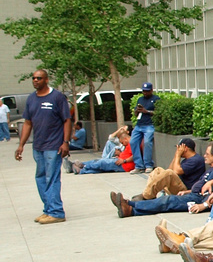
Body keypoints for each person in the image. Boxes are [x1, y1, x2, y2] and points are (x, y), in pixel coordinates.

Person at [111, 142, 213, 219]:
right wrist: (187, 192)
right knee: (167, 201)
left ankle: (130, 206)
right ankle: (130, 208)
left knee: (168, 201)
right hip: (192, 194)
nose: (204, 156)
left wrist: (204, 205)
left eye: (207, 154)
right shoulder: (211, 169)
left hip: (197, 199)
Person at [14, 69, 72, 224]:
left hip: (54, 145)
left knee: (52, 178)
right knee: (40, 177)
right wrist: (21, 145)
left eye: (39, 78)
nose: (35, 80)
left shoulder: (57, 97)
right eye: (33, 78)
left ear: (46, 80)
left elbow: (67, 120)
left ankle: (57, 212)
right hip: (38, 146)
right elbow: (28, 123)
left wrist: (65, 142)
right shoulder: (31, 99)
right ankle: (48, 210)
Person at [137, 137, 205, 199]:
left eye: (179, 147)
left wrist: (178, 155)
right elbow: (169, 170)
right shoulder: (186, 159)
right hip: (178, 186)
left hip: (185, 191)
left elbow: (175, 172)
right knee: (157, 170)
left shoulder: (196, 160)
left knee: (169, 173)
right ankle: (149, 195)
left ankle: (146, 196)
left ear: (185, 148)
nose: (177, 150)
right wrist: (176, 156)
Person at [66, 131, 135, 174]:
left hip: (124, 164)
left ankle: (83, 166)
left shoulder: (132, 143)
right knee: (100, 165)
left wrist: (124, 160)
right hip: (121, 161)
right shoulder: (130, 143)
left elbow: (135, 155)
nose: (123, 144)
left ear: (125, 139)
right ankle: (80, 169)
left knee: (101, 163)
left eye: (122, 142)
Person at [129, 82, 159, 173]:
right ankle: (139, 165)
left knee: (147, 142)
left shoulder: (156, 99)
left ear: (151, 90)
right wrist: (137, 111)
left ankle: (148, 164)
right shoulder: (140, 99)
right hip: (139, 124)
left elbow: (158, 113)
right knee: (133, 142)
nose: (145, 93)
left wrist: (147, 111)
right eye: (143, 91)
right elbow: (135, 113)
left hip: (149, 125)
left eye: (147, 91)